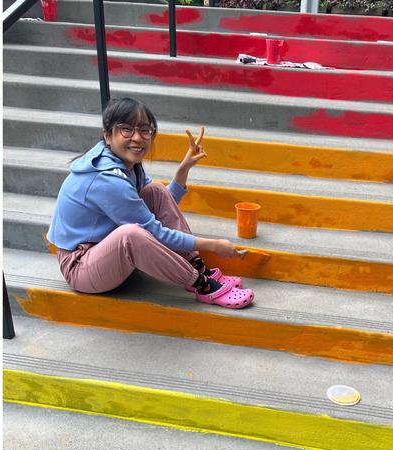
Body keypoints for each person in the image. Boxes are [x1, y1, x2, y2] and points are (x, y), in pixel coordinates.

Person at [47, 97, 254, 309]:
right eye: (126, 129)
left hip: (103, 249)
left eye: (145, 130)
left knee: (155, 190)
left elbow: (161, 205)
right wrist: (213, 245)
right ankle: (202, 285)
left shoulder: (126, 164)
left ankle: (196, 266)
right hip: (81, 266)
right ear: (107, 136)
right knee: (131, 234)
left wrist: (183, 170)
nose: (137, 138)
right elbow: (156, 231)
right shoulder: (107, 179)